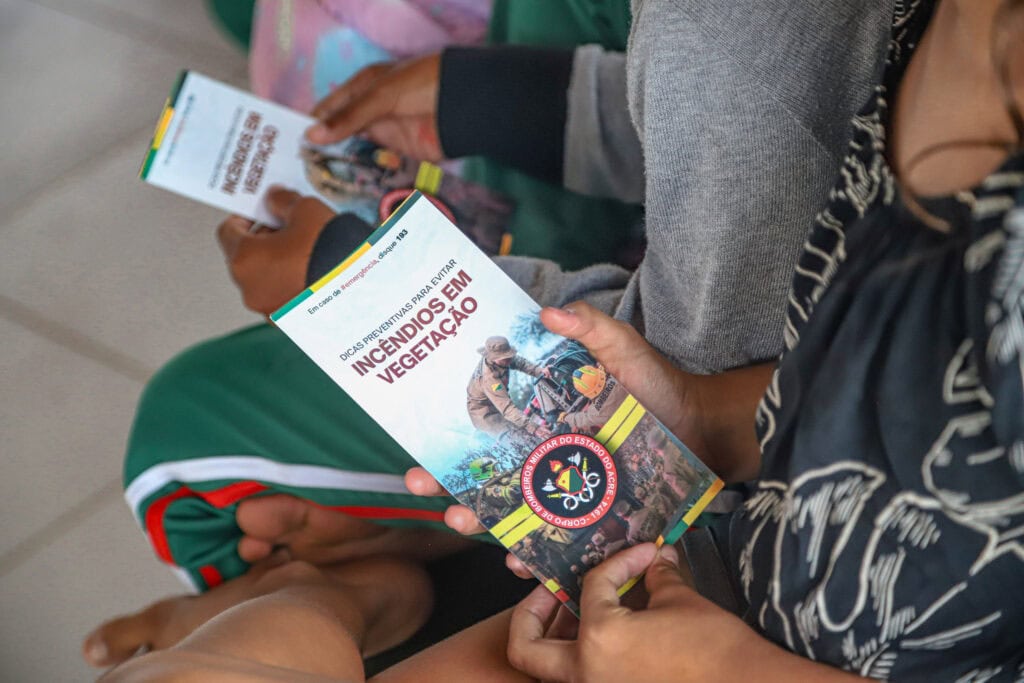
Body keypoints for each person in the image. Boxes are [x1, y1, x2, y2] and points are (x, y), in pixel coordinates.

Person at [85, 0, 897, 669]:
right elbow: (723, 120)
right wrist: (501, 99)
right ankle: (355, 596)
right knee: (185, 437)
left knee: (178, 468)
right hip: (683, 447)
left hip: (713, 576)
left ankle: (351, 597)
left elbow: (701, 337)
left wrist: (364, 285)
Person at [466, 336, 551, 442]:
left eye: (508, 355)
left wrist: (540, 371)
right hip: (487, 415)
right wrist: (534, 428)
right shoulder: (489, 379)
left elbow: (521, 363)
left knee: (522, 426)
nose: (509, 358)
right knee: (518, 440)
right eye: (504, 357)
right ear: (493, 358)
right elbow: (507, 409)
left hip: (500, 403)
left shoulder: (504, 359)